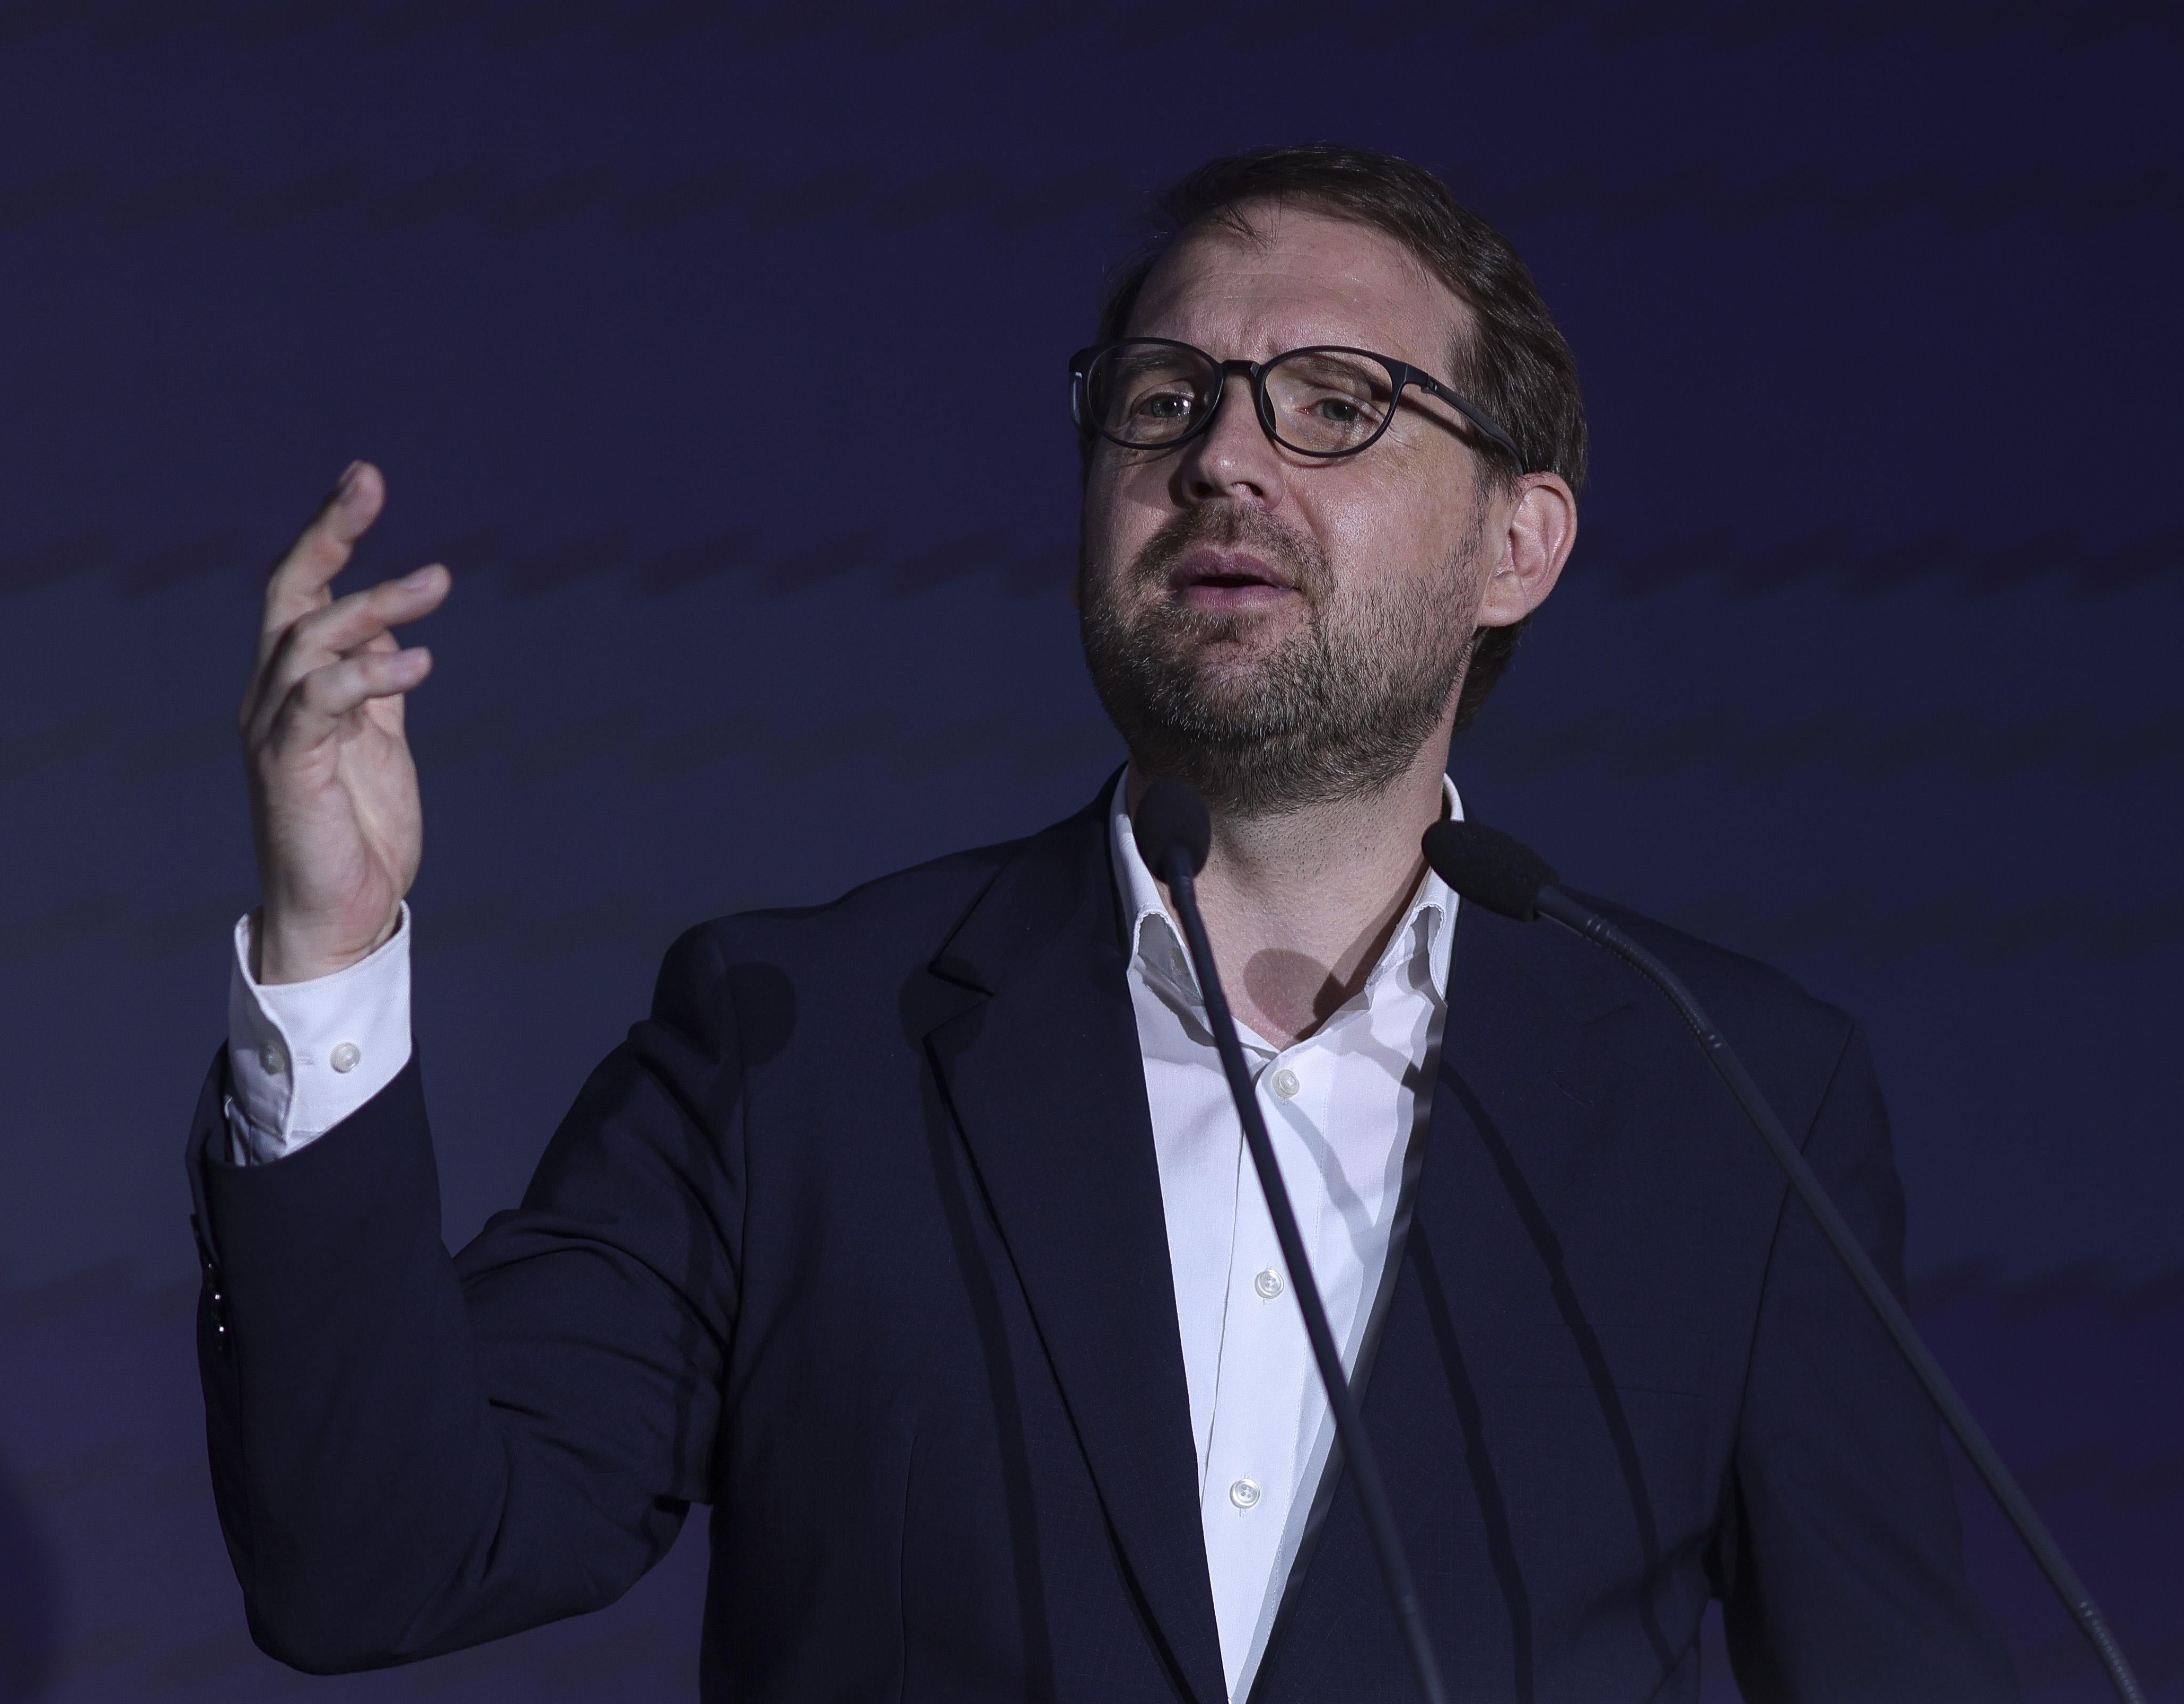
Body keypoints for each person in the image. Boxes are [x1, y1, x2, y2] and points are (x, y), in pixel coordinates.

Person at [188, 144, 2015, 1702]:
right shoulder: (799, 1038)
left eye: (1334, 405)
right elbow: (375, 1563)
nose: (1223, 459)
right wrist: (330, 955)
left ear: (1514, 547)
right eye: (1162, 401)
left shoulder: (1728, 1100)